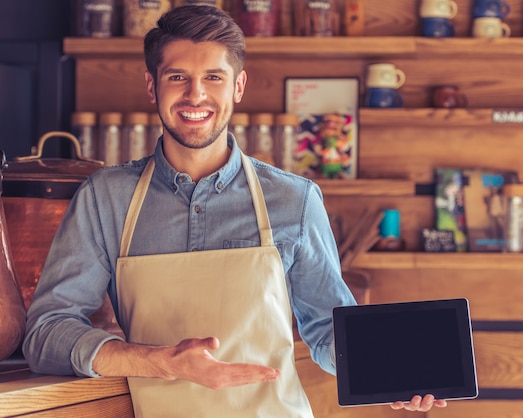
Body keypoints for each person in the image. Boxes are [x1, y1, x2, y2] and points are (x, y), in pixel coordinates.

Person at [22, 5, 447, 416]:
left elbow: (326, 330)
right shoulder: (105, 199)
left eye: (213, 77)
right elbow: (46, 334)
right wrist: (161, 362)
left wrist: (388, 374)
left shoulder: (295, 199)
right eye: (177, 77)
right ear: (152, 86)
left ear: (238, 87)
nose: (196, 94)